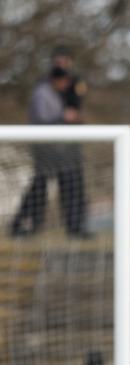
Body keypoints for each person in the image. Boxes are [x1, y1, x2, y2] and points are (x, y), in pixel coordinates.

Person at [10, 56, 88, 237]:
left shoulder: (56, 94)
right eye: (64, 81)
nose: (66, 85)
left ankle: (74, 227)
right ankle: (24, 225)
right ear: (57, 79)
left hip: (60, 150)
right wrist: (64, 118)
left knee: (66, 184)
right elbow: (43, 121)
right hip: (48, 150)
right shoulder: (42, 93)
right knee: (40, 187)